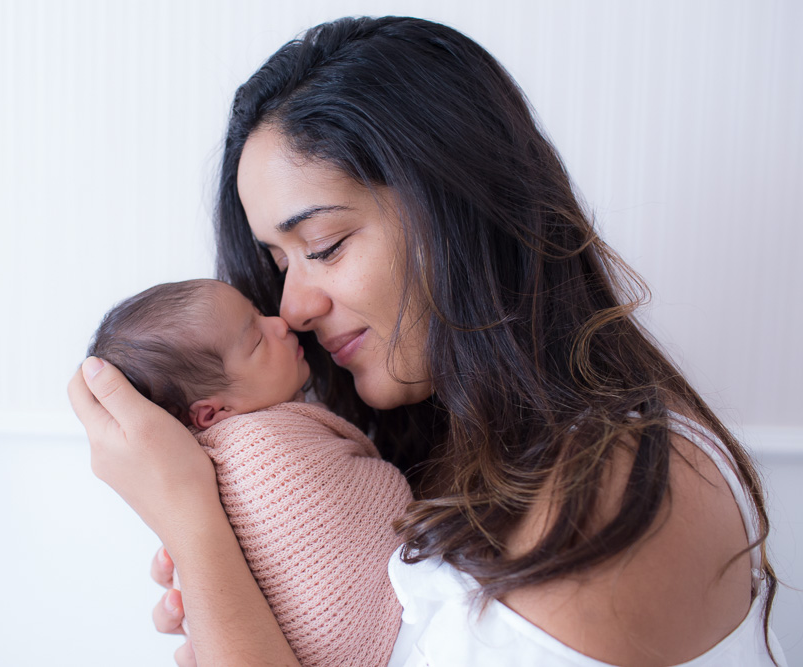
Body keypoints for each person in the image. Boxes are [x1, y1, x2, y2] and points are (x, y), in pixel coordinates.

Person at [68, 16, 785, 666]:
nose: (291, 306)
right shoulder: (455, 464)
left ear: (456, 204)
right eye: (279, 264)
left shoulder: (606, 488)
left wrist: (196, 531)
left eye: (325, 243)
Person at [84, 278, 411, 666]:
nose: (281, 322)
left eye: (259, 314)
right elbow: (377, 496)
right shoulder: (261, 451)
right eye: (256, 340)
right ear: (213, 413)